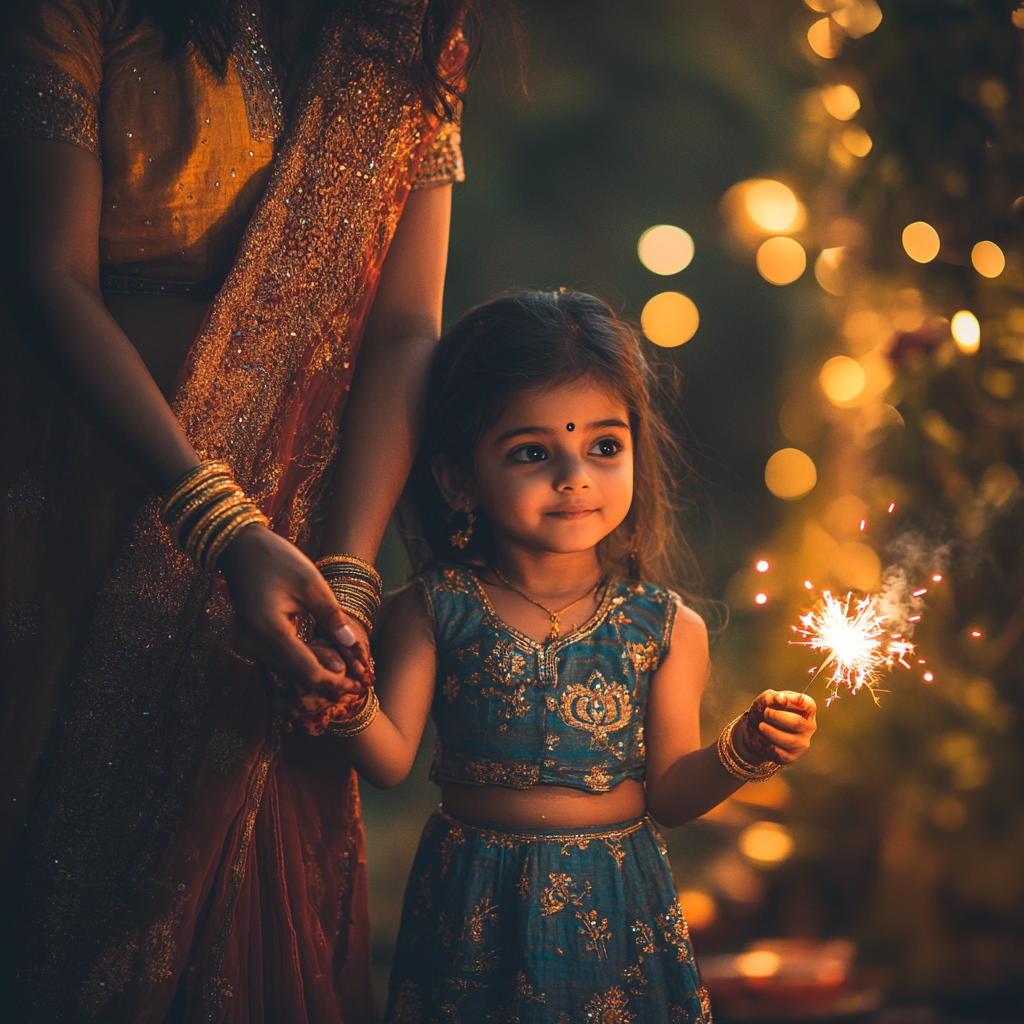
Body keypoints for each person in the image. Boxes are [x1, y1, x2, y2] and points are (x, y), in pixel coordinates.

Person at [0, 1, 492, 1020]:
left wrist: (348, 577)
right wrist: (220, 525)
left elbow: (404, 329)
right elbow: (47, 278)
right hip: (76, 505)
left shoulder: (403, 29)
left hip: (298, 534)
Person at [298, 289, 819, 1022]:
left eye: (604, 446)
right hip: (473, 896)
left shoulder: (666, 629)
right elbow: (389, 764)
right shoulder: (431, 608)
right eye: (533, 453)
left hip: (617, 898)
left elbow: (669, 797)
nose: (575, 475)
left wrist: (744, 750)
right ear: (458, 480)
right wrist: (345, 702)